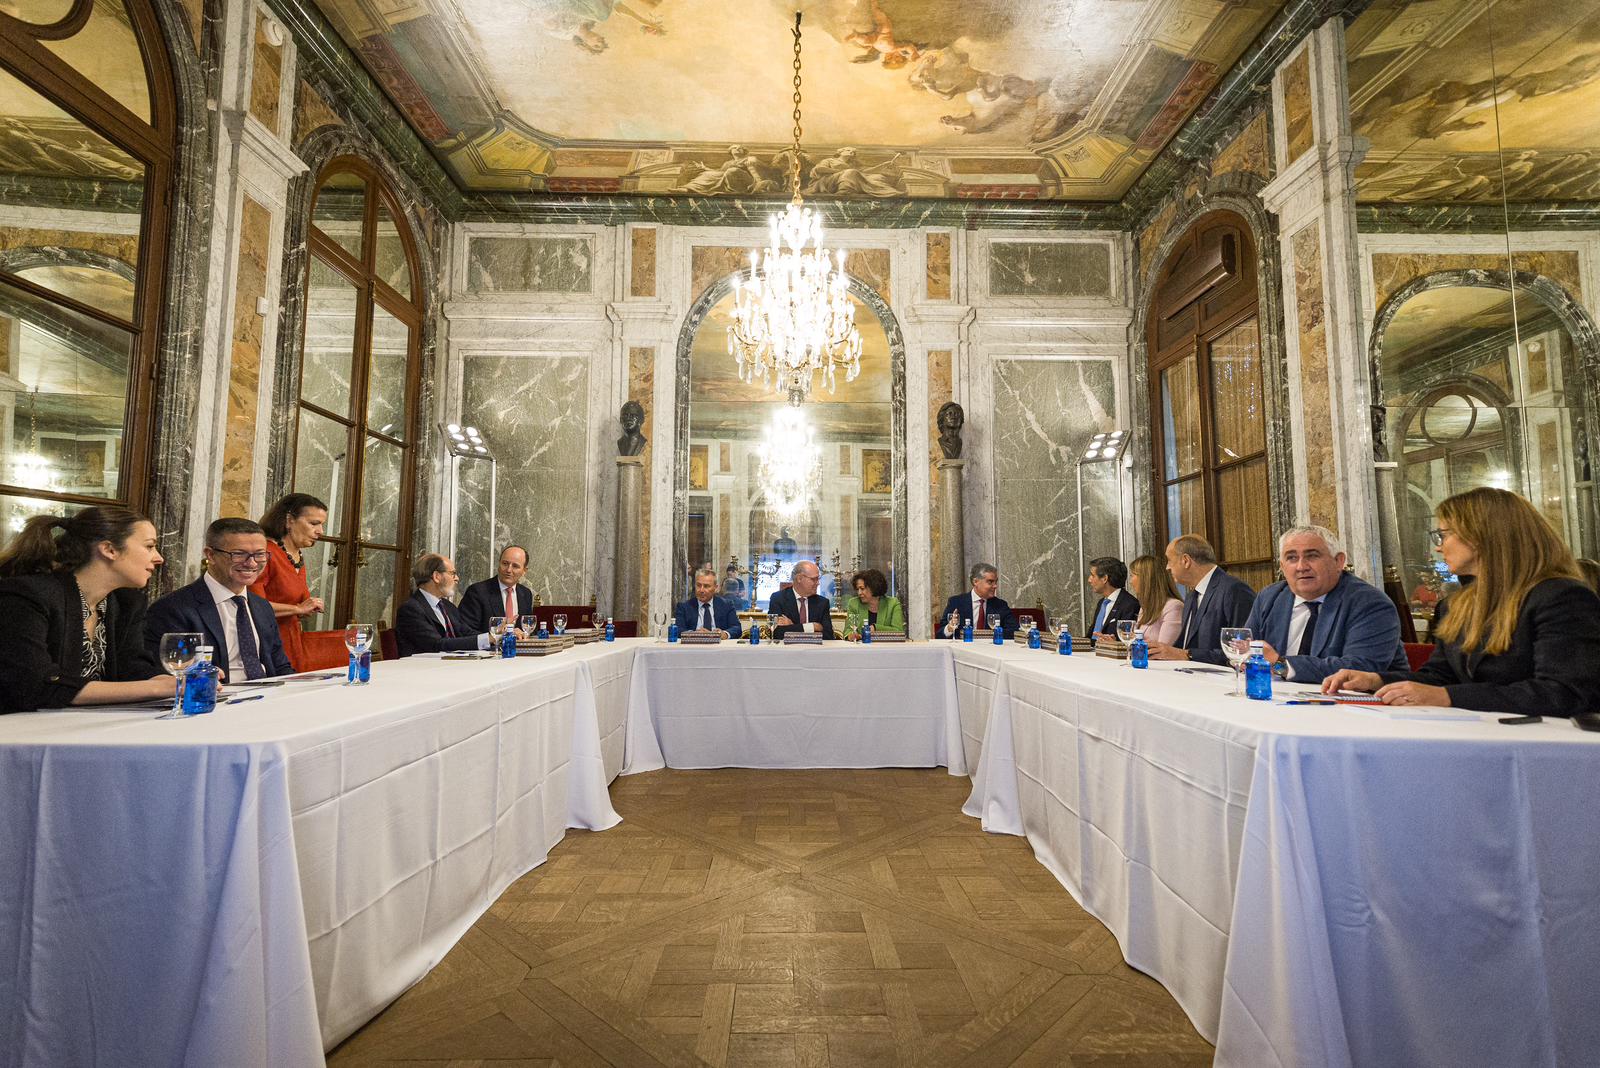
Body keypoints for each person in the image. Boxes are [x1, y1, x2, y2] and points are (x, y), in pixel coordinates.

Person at [1323, 487, 1600, 714]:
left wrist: (1447, 697)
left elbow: (1562, 692)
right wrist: (1377, 680)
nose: (1438, 545)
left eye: (1444, 534)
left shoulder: (1561, 597)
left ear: (1483, 536)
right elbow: (1440, 676)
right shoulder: (1455, 605)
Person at [0, 506, 174, 711]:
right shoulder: (27, 596)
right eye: (149, 546)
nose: (159, 558)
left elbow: (133, 667)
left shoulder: (126, 602)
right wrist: (158, 689)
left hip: (88, 728)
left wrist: (183, 679)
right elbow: (37, 685)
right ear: (109, 549)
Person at [1243, 524, 1408, 684]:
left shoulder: (1370, 603)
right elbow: (1246, 649)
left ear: (1338, 561)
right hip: (1282, 699)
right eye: (1292, 558)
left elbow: (1359, 669)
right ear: (1282, 566)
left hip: (1362, 705)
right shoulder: (1270, 597)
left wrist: (1281, 665)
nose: (1301, 567)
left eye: (1312, 556)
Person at [145, 518, 293, 683]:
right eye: (239, 554)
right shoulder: (173, 609)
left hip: (269, 697)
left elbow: (280, 666)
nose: (251, 563)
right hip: (215, 700)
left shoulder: (262, 606)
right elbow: (166, 674)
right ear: (211, 555)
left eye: (259, 554)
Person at [1145, 535, 1255, 663]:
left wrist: (1188, 655)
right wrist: (1159, 651)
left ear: (1186, 561)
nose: (1167, 568)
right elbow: (1184, 645)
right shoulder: (1192, 595)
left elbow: (1242, 650)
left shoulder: (1234, 590)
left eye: (1169, 560)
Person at [252, 493, 327, 672]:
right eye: (314, 523)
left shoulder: (297, 556)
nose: (321, 531)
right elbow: (253, 606)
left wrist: (308, 607)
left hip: (292, 641)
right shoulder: (267, 553)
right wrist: (298, 609)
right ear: (289, 520)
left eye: (322, 525)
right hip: (267, 645)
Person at [394, 553, 493, 657]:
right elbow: (437, 644)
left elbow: (465, 632)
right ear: (437, 576)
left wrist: (496, 636)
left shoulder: (447, 606)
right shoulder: (410, 609)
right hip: (424, 669)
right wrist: (487, 639)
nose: (457, 578)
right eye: (453, 573)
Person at [458, 545, 535, 634]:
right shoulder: (477, 592)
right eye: (505, 563)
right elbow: (464, 631)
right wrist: (499, 634)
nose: (509, 570)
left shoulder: (525, 593)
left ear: (524, 571)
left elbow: (528, 628)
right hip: (488, 647)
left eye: (515, 566)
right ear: (499, 563)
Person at [938, 563, 1019, 639]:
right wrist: (950, 627)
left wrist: (989, 635)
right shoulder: (956, 602)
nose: (995, 586)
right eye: (990, 582)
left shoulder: (1000, 605)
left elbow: (1014, 631)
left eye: (996, 581)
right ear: (975, 582)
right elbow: (940, 634)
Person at [769, 560, 835, 640]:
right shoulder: (778, 599)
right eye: (814, 579)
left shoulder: (822, 603)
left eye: (818, 579)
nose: (818, 583)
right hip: (787, 651)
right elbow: (776, 633)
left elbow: (828, 636)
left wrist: (792, 626)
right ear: (799, 578)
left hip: (814, 651)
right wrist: (812, 626)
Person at [1128, 553, 1183, 645]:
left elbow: (1163, 648)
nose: (1130, 581)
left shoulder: (1173, 606)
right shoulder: (1145, 607)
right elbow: (1136, 641)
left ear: (1146, 578)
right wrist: (1117, 643)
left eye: (1132, 575)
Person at [674, 566, 742, 638]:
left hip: (719, 646)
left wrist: (723, 634)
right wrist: (693, 634)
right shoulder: (684, 607)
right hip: (693, 646)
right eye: (698, 585)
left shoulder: (726, 605)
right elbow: (677, 629)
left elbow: (737, 628)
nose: (701, 590)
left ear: (715, 588)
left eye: (706, 586)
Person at [1085, 556, 1140, 637]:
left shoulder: (1130, 605)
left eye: (1092, 575)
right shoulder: (1102, 603)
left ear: (1104, 579)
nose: (1089, 580)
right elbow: (1090, 639)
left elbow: (1127, 640)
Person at [843, 568, 905, 640]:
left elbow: (898, 631)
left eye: (862, 588)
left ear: (874, 587)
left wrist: (876, 628)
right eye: (857, 589)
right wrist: (851, 635)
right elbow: (848, 630)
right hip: (861, 649)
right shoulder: (853, 603)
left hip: (886, 649)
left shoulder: (893, 604)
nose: (859, 593)